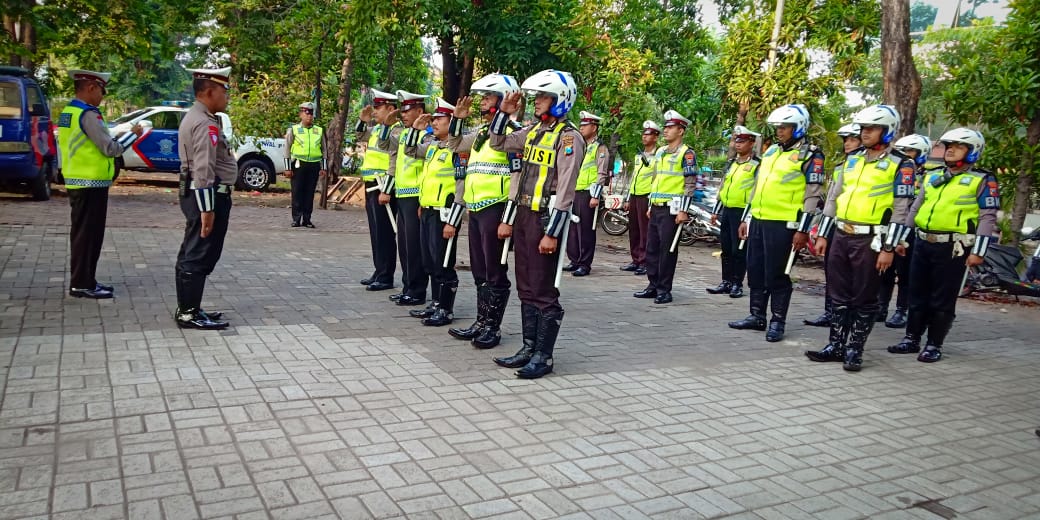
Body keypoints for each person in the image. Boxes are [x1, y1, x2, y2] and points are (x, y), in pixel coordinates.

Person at [804, 105, 916, 371]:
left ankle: (855, 349)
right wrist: (823, 233)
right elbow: (833, 198)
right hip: (841, 233)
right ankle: (836, 345)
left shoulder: (901, 164)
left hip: (873, 239)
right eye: (863, 128)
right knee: (838, 294)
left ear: (887, 131)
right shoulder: (851, 160)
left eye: (872, 129)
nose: (865, 133)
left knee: (865, 297)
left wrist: (890, 247)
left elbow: (902, 209)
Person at [488, 69, 584, 379]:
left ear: (559, 99)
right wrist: (504, 113)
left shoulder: (569, 137)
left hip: (546, 218)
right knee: (526, 285)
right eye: (538, 97)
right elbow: (499, 142)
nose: (538, 102)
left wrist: (552, 233)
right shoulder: (531, 131)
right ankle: (529, 347)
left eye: (544, 97)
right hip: (525, 216)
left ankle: (544, 356)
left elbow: (567, 188)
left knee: (544, 290)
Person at [887, 128, 999, 363]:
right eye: (948, 145)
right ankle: (911, 338)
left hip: (953, 247)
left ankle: (933, 344)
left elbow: (987, 217)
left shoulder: (982, 179)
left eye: (958, 146)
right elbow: (915, 208)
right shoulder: (932, 175)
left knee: (942, 298)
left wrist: (978, 252)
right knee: (917, 293)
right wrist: (903, 238)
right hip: (922, 241)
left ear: (972, 151)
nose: (950, 149)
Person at [728, 104, 825, 342]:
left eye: (785, 127)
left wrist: (803, 229)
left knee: (777, 274)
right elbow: (757, 188)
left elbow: (813, 194)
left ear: (798, 127)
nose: (780, 131)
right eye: (779, 126)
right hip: (759, 220)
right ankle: (756, 315)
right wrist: (747, 218)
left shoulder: (811, 155)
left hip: (784, 224)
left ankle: (777, 321)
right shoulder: (771, 152)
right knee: (756, 270)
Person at [444, 74, 522, 348]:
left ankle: (493, 328)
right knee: (479, 269)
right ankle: (481, 321)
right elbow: (453, 144)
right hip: (476, 209)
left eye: (488, 97)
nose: (483, 101)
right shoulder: (480, 132)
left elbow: (517, 177)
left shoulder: (513, 133)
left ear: (502, 101)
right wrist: (458, 119)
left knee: (495, 270)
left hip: (496, 209)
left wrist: (508, 219)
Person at [57, 70, 143, 299]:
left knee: (83, 234)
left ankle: (85, 280)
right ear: (91, 88)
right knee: (89, 236)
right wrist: (133, 135)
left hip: (78, 180)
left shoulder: (69, 112)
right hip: (90, 183)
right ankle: (82, 284)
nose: (103, 97)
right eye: (102, 91)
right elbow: (110, 148)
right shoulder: (88, 114)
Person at [174, 66, 236, 330]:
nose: (227, 96)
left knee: (193, 249)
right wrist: (207, 210)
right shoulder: (204, 123)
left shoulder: (201, 117)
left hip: (201, 194)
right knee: (198, 252)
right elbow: (204, 169)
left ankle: (189, 307)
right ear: (209, 91)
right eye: (224, 90)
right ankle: (189, 312)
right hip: (207, 196)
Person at [402, 98, 462, 327]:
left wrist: (453, 221)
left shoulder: (457, 149)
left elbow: (460, 186)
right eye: (434, 119)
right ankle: (436, 302)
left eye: (440, 119)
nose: (434, 123)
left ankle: (445, 308)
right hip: (427, 210)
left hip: (444, 213)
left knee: (443, 262)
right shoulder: (434, 147)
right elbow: (409, 150)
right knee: (429, 261)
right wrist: (416, 130)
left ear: (452, 122)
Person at [632, 110, 699, 305]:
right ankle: (652, 285)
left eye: (671, 128)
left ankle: (664, 289)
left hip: (673, 210)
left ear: (681, 130)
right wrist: (651, 202)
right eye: (666, 127)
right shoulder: (660, 152)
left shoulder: (687, 154)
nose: (667, 131)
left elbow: (690, 183)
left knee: (666, 250)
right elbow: (656, 179)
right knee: (652, 248)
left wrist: (683, 210)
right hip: (656, 206)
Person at [804, 122, 861, 327]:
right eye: (846, 140)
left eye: (853, 139)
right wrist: (823, 232)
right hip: (835, 225)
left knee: (854, 279)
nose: (848, 143)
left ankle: (851, 316)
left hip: (860, 229)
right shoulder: (841, 167)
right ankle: (831, 312)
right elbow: (832, 199)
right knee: (832, 271)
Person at [876, 133, 932, 328]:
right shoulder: (895, 172)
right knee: (885, 271)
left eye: (910, 151)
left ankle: (901, 310)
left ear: (921, 154)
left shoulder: (928, 178)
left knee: (906, 274)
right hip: (892, 228)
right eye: (903, 150)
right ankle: (881, 307)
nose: (905, 154)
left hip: (911, 232)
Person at [383, 90, 431, 306]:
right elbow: (384, 145)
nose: (403, 114)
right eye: (402, 111)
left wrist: (422, 199)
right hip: (402, 193)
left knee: (414, 245)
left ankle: (417, 289)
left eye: (408, 111)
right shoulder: (403, 134)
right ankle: (407, 286)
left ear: (420, 111)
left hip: (416, 195)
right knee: (404, 244)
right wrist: (386, 124)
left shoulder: (427, 135)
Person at [707, 125, 760, 298]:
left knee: (739, 250)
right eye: (737, 141)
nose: (738, 144)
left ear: (751, 143)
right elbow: (723, 187)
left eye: (742, 141)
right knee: (727, 248)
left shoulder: (756, 165)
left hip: (743, 212)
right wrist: (716, 210)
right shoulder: (731, 163)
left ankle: (737, 283)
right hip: (728, 210)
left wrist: (748, 217)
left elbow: (756, 192)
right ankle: (726, 281)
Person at [354, 89, 400, 291]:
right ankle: (379, 269)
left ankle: (385, 275)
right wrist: (363, 120)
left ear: (391, 109)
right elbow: (360, 135)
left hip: (383, 185)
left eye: (379, 108)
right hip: (372, 183)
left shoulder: (395, 130)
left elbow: (393, 161)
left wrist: (388, 190)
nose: (375, 111)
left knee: (385, 233)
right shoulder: (378, 129)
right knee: (375, 231)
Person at [563, 111, 610, 277]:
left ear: (594, 127)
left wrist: (596, 195)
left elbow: (601, 173)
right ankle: (574, 259)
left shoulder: (600, 147)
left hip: (588, 193)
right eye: (581, 125)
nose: (581, 128)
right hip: (574, 191)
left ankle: (584, 263)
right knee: (573, 228)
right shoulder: (579, 145)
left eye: (585, 125)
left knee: (585, 229)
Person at [620, 120, 660, 275]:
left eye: (648, 134)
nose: (644, 137)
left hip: (646, 196)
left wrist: (651, 200)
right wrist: (628, 198)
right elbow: (634, 177)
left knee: (645, 231)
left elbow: (656, 178)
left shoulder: (658, 156)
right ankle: (635, 259)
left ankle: (645, 261)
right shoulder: (638, 156)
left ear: (655, 137)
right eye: (643, 134)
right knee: (634, 229)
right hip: (635, 195)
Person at [284, 101, 326, 228]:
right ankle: (296, 218)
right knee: (297, 191)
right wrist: (287, 168)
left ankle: (307, 219)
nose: (309, 117)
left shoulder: (318, 130)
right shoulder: (294, 129)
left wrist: (324, 167)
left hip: (313, 165)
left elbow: (324, 150)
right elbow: (287, 148)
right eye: (306, 114)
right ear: (300, 114)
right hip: (298, 164)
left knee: (309, 193)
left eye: (311, 114)